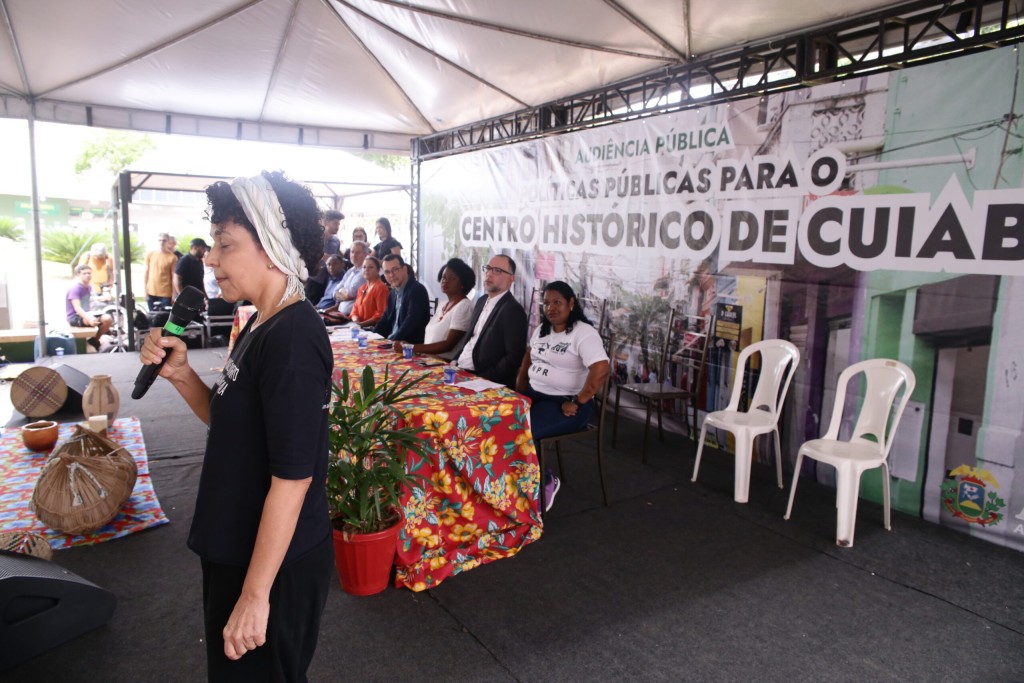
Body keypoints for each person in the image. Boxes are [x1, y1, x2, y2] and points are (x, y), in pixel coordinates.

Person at [138, 171, 333, 682]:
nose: (211, 258)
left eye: (226, 244)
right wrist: (181, 376)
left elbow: (293, 480)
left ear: (271, 247)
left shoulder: (292, 338)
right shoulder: (261, 322)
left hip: (270, 566)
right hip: (239, 546)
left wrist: (254, 595)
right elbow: (237, 428)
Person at [515, 281, 609, 511]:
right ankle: (514, 485)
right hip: (535, 397)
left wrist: (579, 401)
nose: (551, 308)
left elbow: (601, 368)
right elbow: (529, 354)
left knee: (525, 432)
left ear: (571, 303)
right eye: (546, 303)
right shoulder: (541, 330)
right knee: (500, 423)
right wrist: (520, 384)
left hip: (566, 404)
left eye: (557, 302)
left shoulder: (583, 333)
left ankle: (545, 481)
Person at [454, 254, 527, 388]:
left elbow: (513, 358)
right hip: (460, 371)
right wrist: (453, 362)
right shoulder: (481, 301)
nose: (489, 274)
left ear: (511, 279)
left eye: (497, 271)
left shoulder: (512, 310)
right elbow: (470, 340)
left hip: (484, 380)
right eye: (488, 268)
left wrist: (482, 379)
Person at [400, 257, 474, 359]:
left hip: (445, 365)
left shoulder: (464, 306)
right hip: (427, 360)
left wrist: (410, 347)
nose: (445, 281)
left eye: (452, 278)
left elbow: (448, 345)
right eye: (443, 277)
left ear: (463, 283)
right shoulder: (443, 304)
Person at [374, 254, 430, 343]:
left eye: (395, 269)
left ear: (405, 269)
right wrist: (373, 336)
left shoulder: (417, 290)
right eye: (387, 272)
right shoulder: (392, 293)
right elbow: (385, 319)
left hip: (409, 347)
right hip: (392, 342)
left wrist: (390, 341)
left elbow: (410, 324)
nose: (391, 275)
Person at [321, 255, 387, 326]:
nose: (366, 270)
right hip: (357, 326)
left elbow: (381, 314)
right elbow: (355, 311)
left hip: (373, 328)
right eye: (364, 267)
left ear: (378, 270)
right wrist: (356, 321)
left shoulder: (381, 288)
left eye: (370, 267)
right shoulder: (362, 288)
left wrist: (361, 324)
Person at [66, 263, 113, 350]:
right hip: (75, 316)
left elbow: (92, 300)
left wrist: (103, 298)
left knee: (107, 319)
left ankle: (94, 340)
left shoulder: (89, 287)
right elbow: (77, 308)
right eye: (84, 273)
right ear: (78, 275)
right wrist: (89, 318)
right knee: (93, 321)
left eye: (89, 273)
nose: (87, 275)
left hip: (89, 313)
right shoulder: (75, 289)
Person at [331, 240, 368, 317]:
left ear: (366, 254)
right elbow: (334, 292)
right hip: (340, 314)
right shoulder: (350, 271)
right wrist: (343, 294)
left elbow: (351, 293)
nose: (354, 255)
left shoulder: (365, 272)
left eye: (358, 252)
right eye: (352, 252)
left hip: (353, 317)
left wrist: (342, 292)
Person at [143, 232, 178, 310]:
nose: (161, 242)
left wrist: (173, 294)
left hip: (166, 294)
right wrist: (145, 291)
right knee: (152, 317)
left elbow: (173, 277)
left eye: (164, 240)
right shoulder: (150, 254)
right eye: (160, 240)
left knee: (164, 317)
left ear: (168, 242)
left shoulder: (172, 257)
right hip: (151, 292)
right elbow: (146, 273)